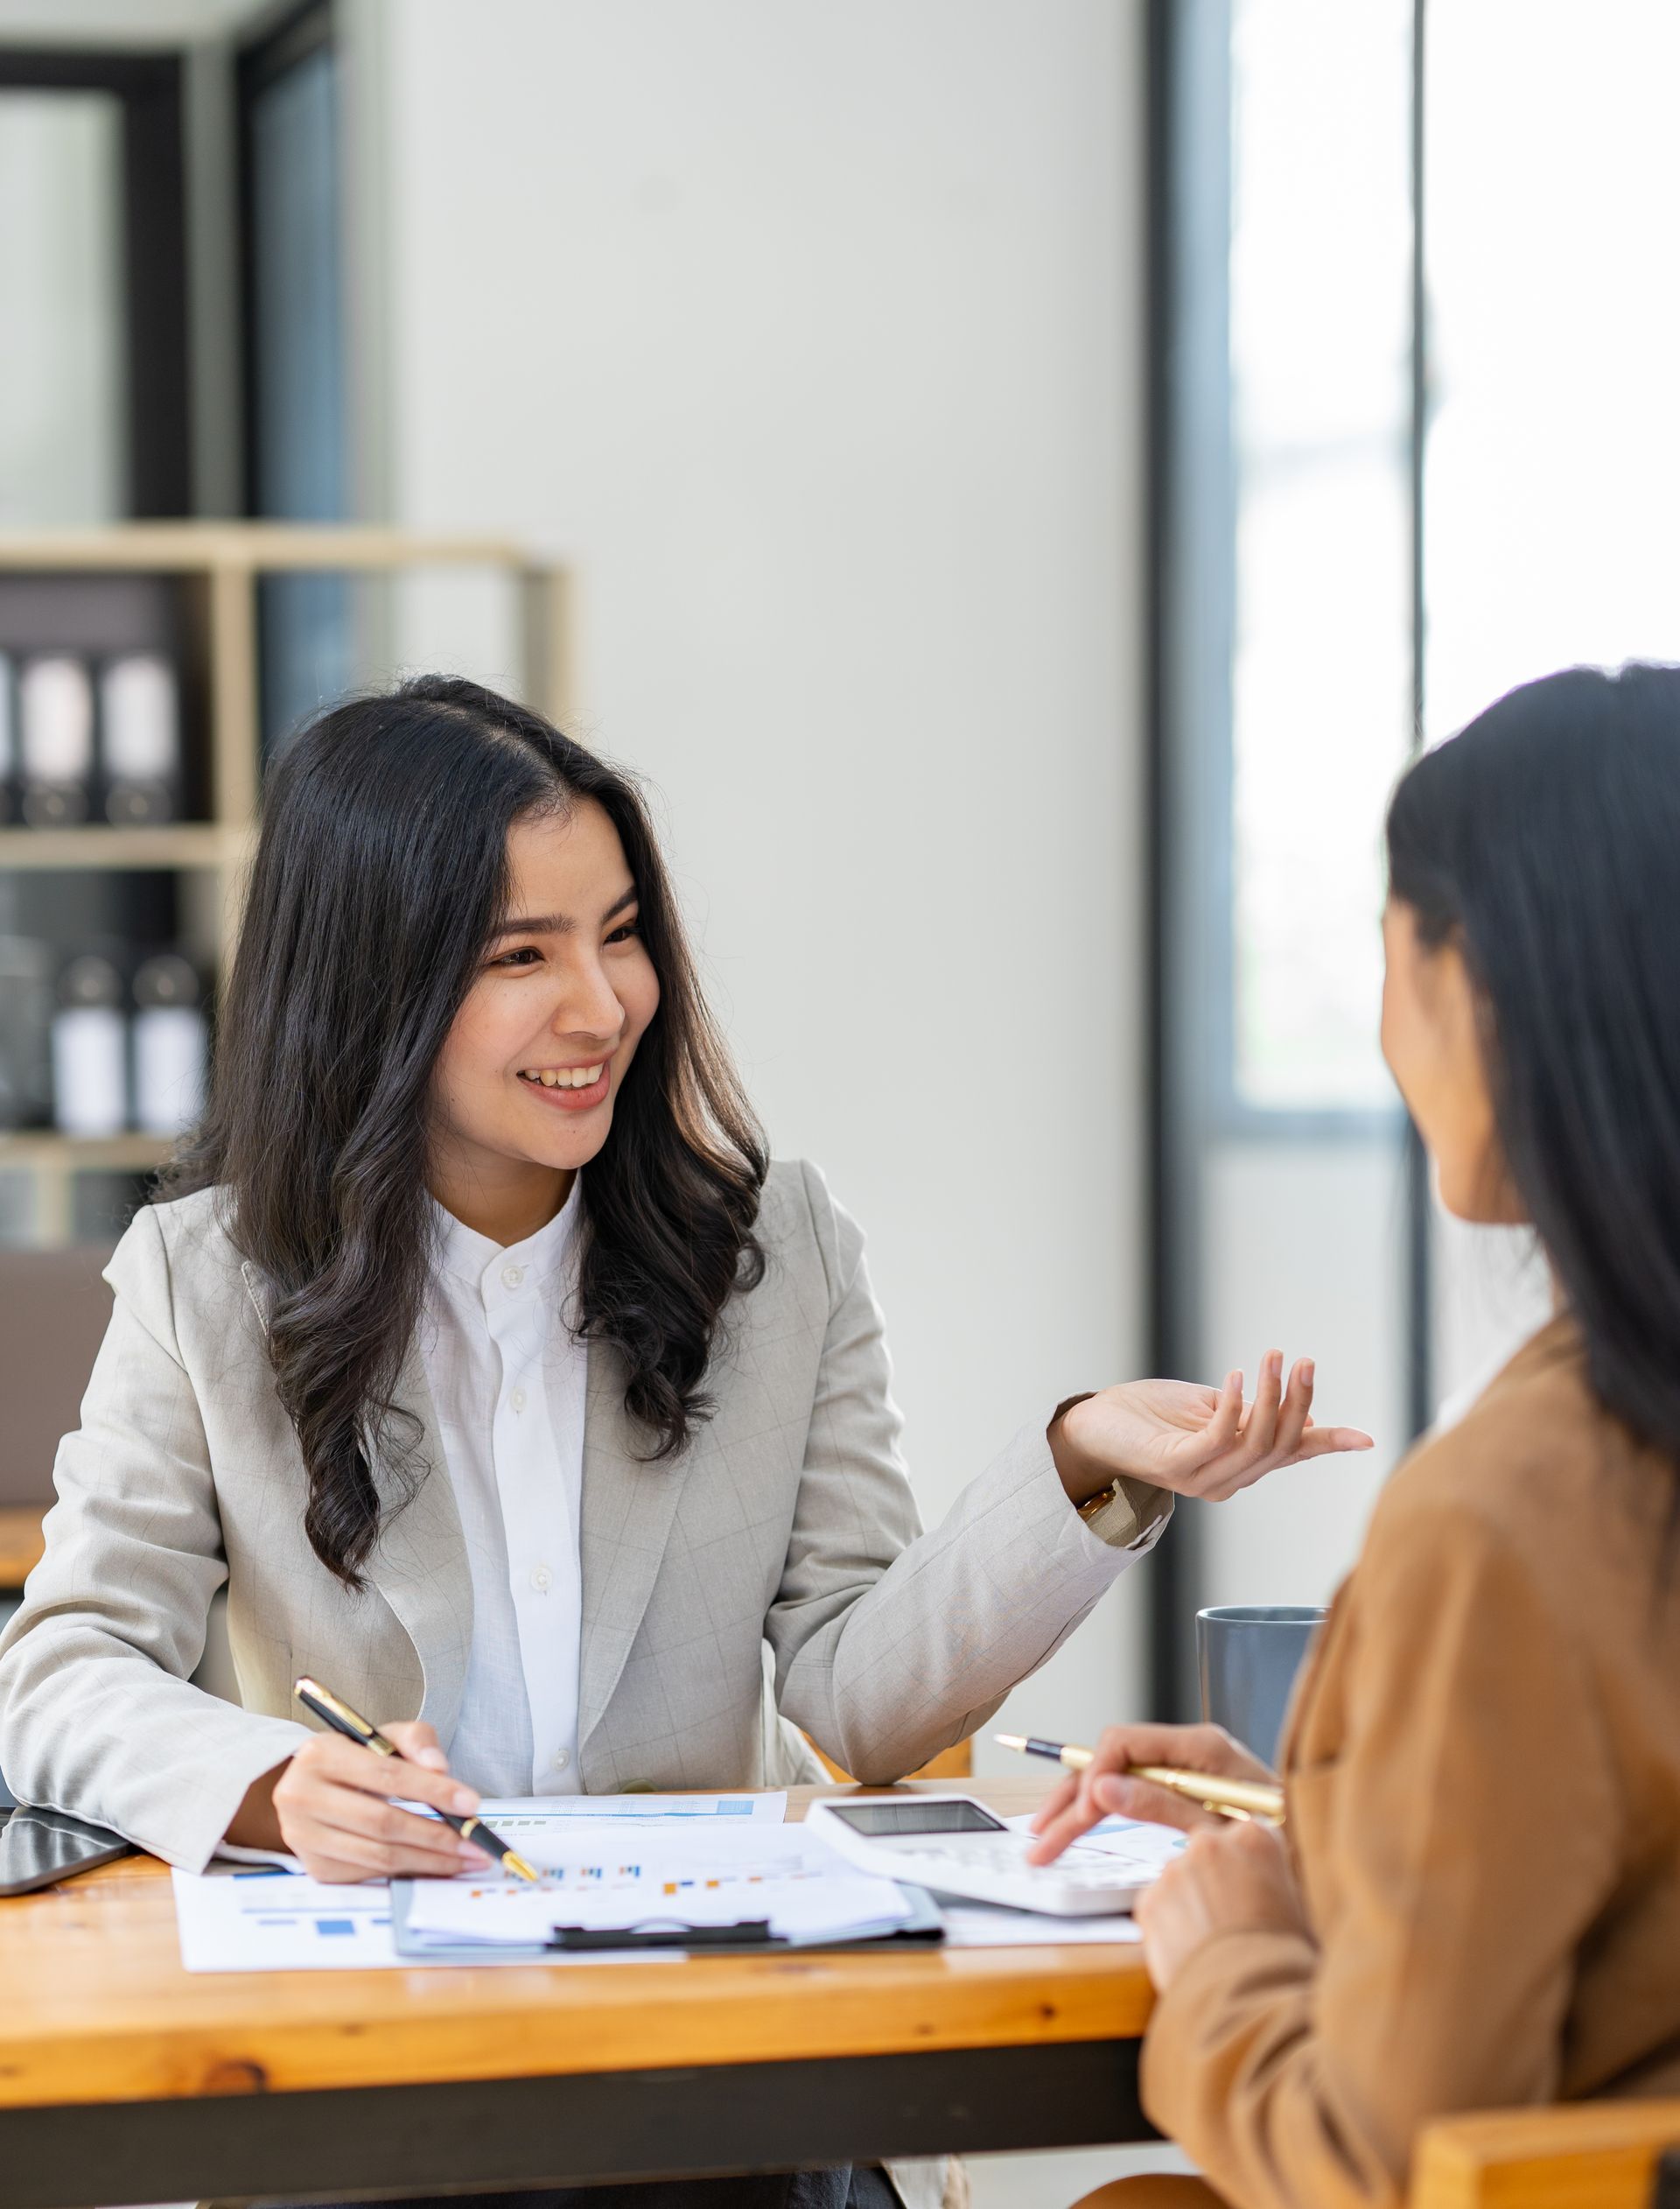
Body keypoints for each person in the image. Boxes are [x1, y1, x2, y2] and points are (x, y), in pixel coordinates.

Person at [0, 677, 1368, 2209]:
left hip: (727, 2080)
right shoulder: (210, 1283)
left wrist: (1078, 1463)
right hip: (379, 2092)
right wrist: (276, 1789)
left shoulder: (777, 1250)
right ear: (375, 983)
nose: (601, 1005)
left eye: (622, 932)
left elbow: (860, 1693)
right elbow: (58, 1673)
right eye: (522, 954)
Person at [1034, 663, 1680, 2209]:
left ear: (1478, 983)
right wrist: (1327, 1810)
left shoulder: (1514, 1508)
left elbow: (1384, 2160)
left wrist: (1237, 1960)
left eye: (1392, 950)